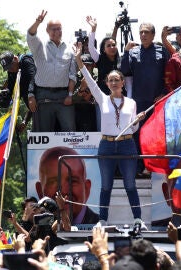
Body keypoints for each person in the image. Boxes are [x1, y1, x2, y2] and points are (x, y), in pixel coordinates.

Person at [75, 42, 147, 229]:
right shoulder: (102, 98)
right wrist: (78, 60)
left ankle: (138, 219)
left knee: (130, 185)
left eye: (117, 80)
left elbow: (132, 129)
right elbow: (90, 80)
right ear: (107, 84)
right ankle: (102, 220)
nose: (114, 83)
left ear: (123, 83)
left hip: (127, 145)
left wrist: (138, 120)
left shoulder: (131, 103)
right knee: (106, 185)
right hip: (106, 145)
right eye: (111, 80)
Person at [121, 22, 169, 176]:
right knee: (138, 135)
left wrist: (163, 93)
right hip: (139, 101)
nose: (143, 35)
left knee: (156, 136)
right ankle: (138, 169)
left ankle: (154, 168)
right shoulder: (133, 51)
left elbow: (169, 76)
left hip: (158, 101)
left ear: (153, 35)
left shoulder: (162, 51)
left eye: (147, 32)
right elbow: (124, 71)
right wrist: (126, 52)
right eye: (141, 32)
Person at [27, 10, 77, 132]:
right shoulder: (39, 46)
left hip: (63, 95)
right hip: (43, 96)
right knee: (44, 132)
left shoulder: (70, 49)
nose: (57, 32)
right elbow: (30, 35)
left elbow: (72, 75)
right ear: (47, 31)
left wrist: (70, 95)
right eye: (53, 29)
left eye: (59, 29)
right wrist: (37, 22)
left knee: (70, 131)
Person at [35, 146, 99, 225]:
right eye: (53, 182)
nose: (64, 191)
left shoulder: (101, 227)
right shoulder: (39, 227)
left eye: (72, 181)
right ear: (40, 191)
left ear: (86, 189)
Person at [0, 50, 36, 132]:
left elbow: (32, 81)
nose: (10, 70)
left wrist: (31, 94)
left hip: (45, 103)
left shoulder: (26, 61)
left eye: (11, 67)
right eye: (7, 69)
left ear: (15, 58)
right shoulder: (12, 72)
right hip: (35, 112)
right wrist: (5, 97)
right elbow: (11, 91)